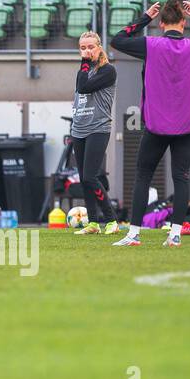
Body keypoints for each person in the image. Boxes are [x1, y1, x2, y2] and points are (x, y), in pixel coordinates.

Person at [110, 0, 190, 247]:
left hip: (156, 124)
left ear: (161, 23)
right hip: (187, 124)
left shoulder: (150, 44)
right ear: (184, 22)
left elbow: (117, 40)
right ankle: (175, 234)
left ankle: (133, 234)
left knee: (143, 175)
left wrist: (144, 18)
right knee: (181, 177)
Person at [69, 30, 121, 235]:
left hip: (98, 128)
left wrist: (85, 63)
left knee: (91, 176)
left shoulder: (108, 71)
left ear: (99, 47)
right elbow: (79, 92)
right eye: (83, 48)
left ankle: (111, 220)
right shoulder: (82, 71)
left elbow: (84, 88)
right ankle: (93, 223)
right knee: (84, 178)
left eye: (90, 47)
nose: (87, 51)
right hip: (79, 129)